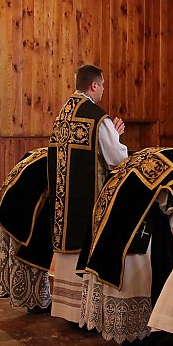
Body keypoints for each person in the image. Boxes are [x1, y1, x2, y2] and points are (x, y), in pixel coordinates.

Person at [77, 147, 173, 346]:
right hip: (135, 227)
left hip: (110, 218)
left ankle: (122, 329)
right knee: (137, 275)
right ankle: (136, 334)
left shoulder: (156, 152)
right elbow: (169, 207)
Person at [48, 64, 128, 324]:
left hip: (63, 201)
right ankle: (85, 314)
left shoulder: (63, 115)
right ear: (94, 85)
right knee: (86, 248)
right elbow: (116, 159)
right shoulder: (96, 116)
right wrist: (116, 137)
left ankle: (66, 310)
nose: (103, 91)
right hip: (87, 202)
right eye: (102, 85)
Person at [0, 148, 54, 313]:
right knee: (34, 241)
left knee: (33, 241)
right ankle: (35, 299)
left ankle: (34, 298)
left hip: (20, 202)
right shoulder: (50, 161)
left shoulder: (41, 154)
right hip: (27, 208)